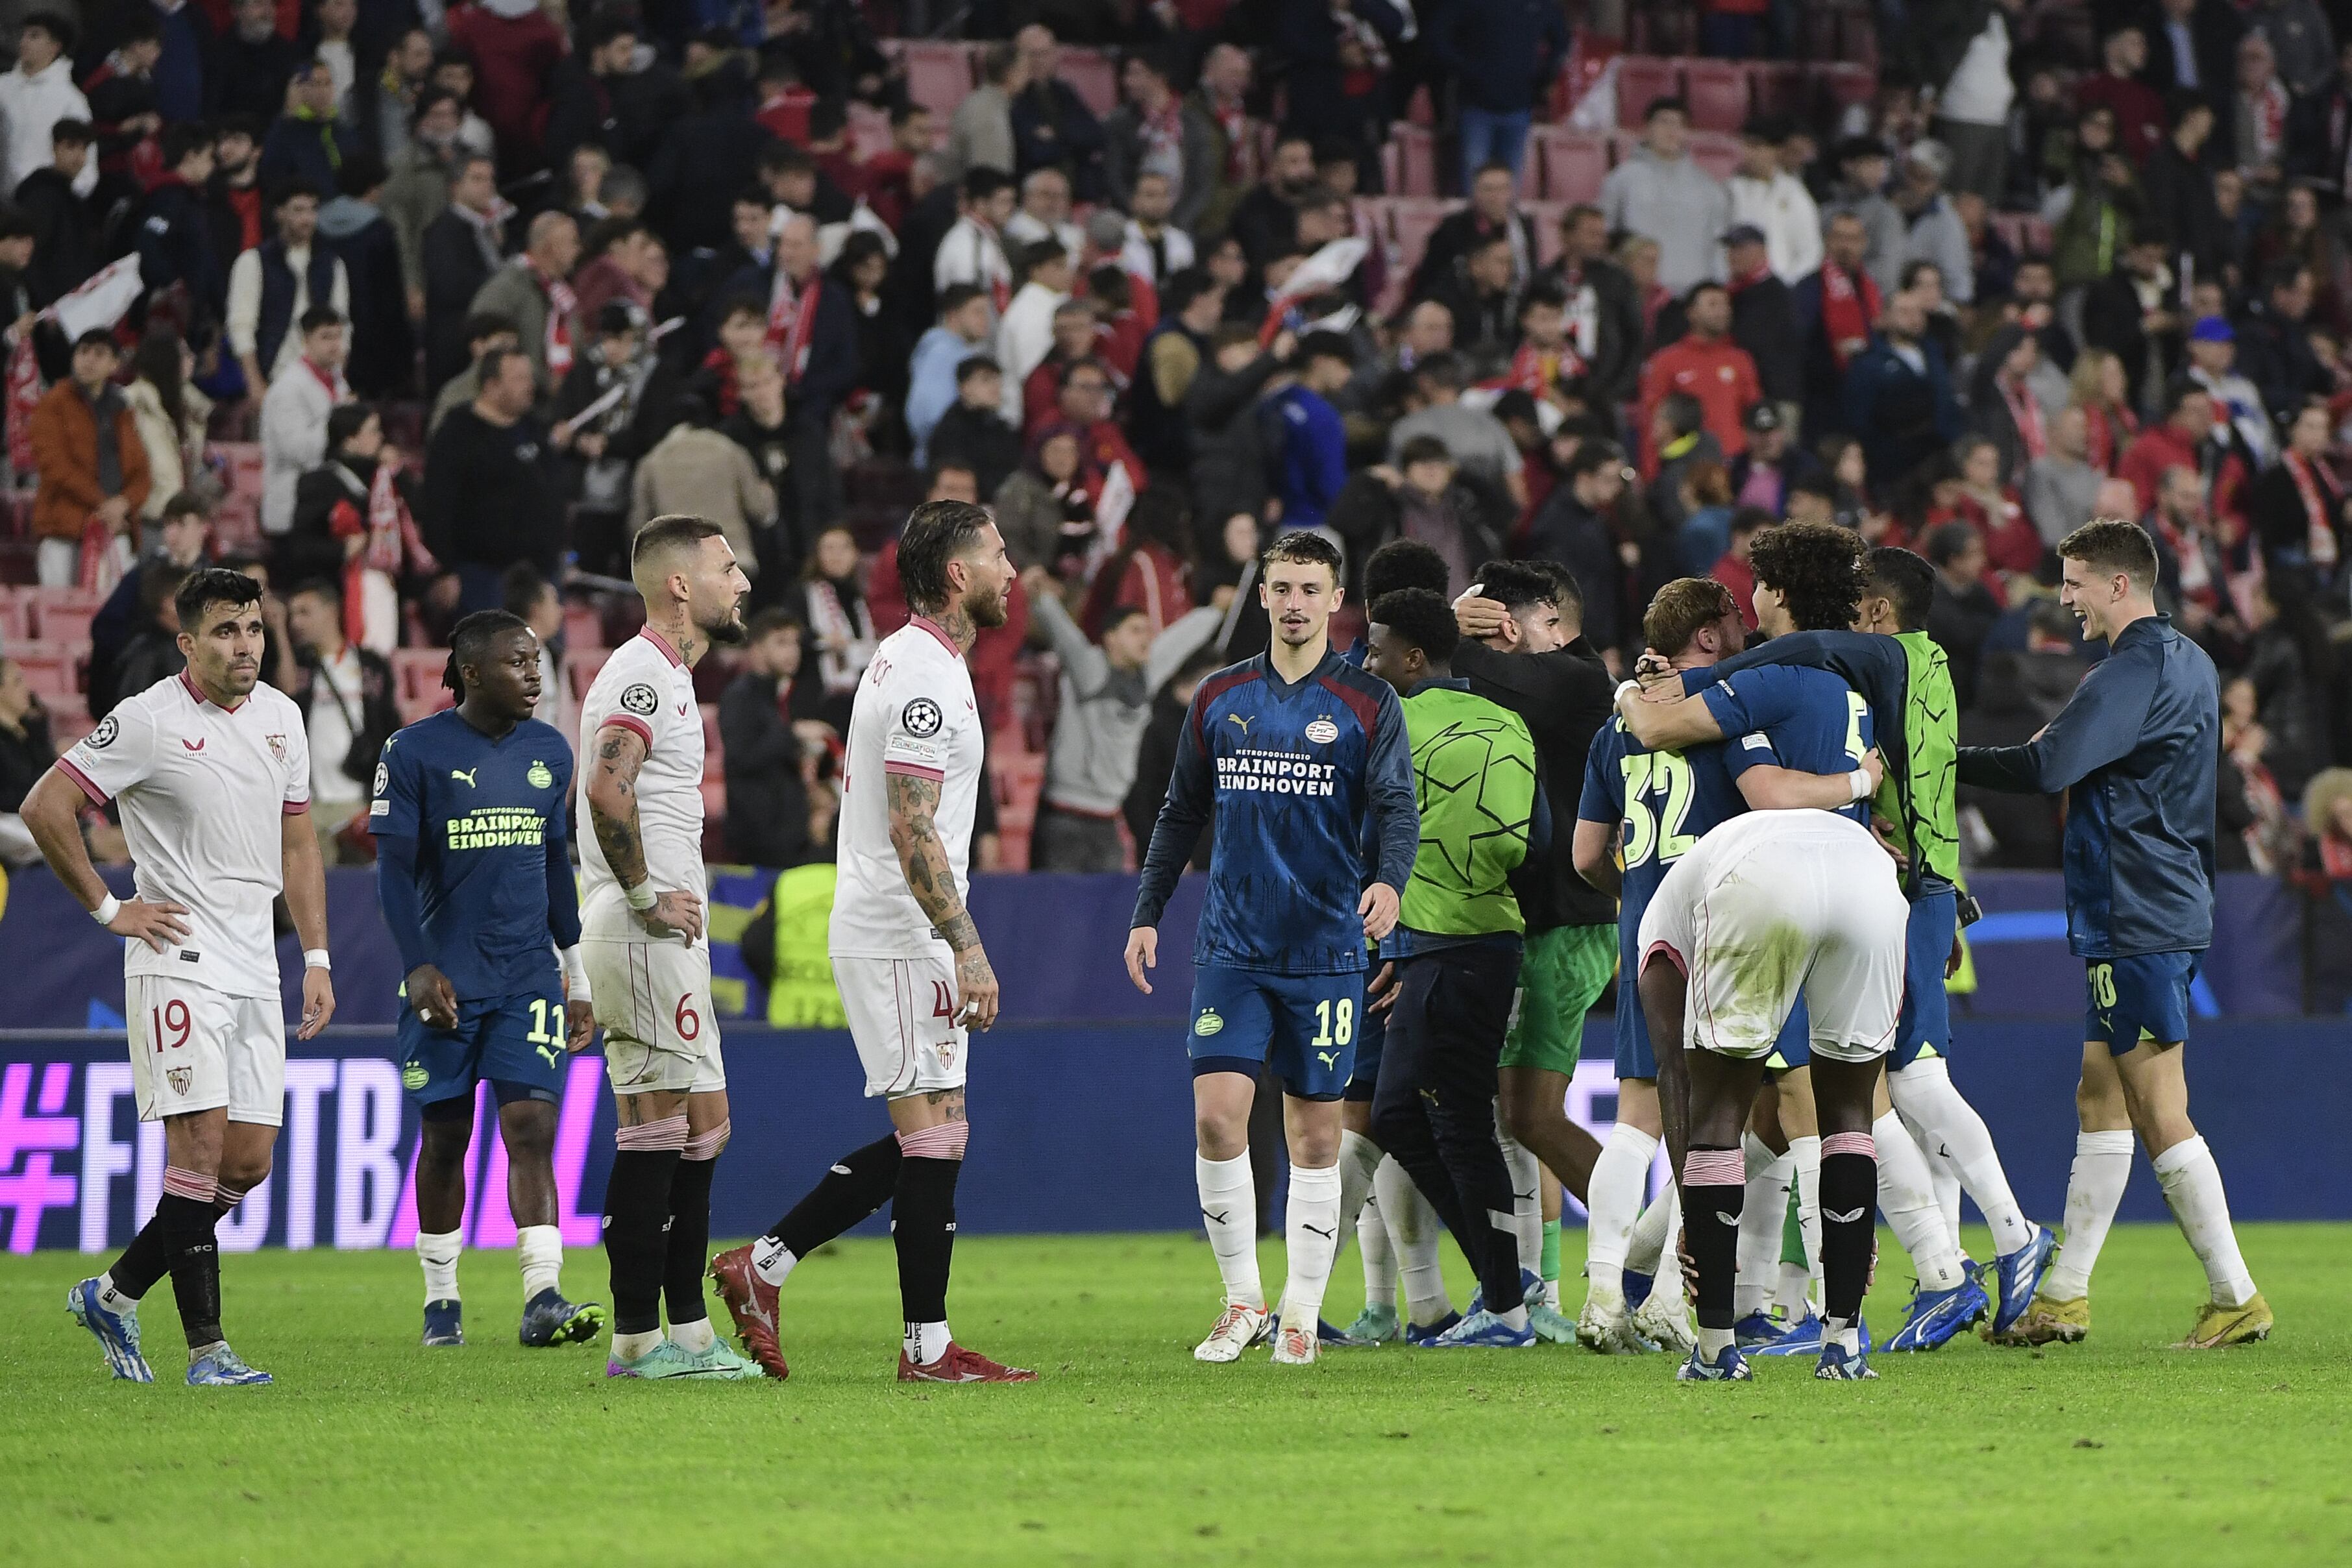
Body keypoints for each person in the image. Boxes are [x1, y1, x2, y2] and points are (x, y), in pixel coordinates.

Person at [1659, 543, 2059, 1345]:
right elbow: (1926, 773)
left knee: (1905, 1083)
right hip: (1918, 884)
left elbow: (1809, 645)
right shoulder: (1926, 668)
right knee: (1870, 1093)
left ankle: (2005, 1242)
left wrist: (1694, 679)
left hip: (1907, 892)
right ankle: (1903, 1281)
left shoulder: (1883, 656)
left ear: (1876, 613)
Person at [710, 501, 1035, 1384]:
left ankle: (767, 1266)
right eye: (999, 555)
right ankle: (922, 1347)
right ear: (959, 574)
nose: (1012, 570)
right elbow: (910, 825)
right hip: (900, 930)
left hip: (908, 928)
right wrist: (966, 944)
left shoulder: (919, 660)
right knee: (931, 1137)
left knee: (942, 1132)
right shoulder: (923, 675)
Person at [1958, 519, 2269, 1351]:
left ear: (2119, 584)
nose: (2065, 598)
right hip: (2161, 897)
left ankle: (2235, 1294)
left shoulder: (2130, 669)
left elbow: (2046, 766)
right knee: (2100, 1095)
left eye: (2075, 582)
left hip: (2136, 907)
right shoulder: (2192, 661)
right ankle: (2065, 1296)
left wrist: (1941, 758)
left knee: (2158, 1106)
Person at [33, 567, 334, 1386]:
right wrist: (110, 909)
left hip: (257, 961)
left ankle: (113, 1294)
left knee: (246, 1162)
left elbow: (299, 843)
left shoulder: (282, 717)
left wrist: (315, 957)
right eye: (227, 631)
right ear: (189, 643)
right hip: (179, 957)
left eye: (254, 629)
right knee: (197, 1149)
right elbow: (46, 806)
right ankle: (209, 1350)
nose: (246, 645)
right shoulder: (148, 720)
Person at [1125, 531, 1417, 1366]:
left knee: (1315, 1140)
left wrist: (1389, 883)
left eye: (1309, 589)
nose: (1294, 602)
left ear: (1336, 601)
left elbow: (1397, 809)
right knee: (1217, 1118)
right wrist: (1148, 911)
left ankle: (1301, 1312)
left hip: (1326, 950)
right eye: (1281, 587)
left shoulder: (1369, 702)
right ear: (1262, 596)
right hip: (1233, 947)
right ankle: (1242, 1302)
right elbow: (1180, 812)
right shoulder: (1219, 696)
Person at [371, 607, 604, 1350]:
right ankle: (442, 1299)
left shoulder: (550, 751)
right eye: (518, 662)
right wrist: (417, 966)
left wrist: (576, 974)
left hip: (527, 974)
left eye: (537, 662)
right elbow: (392, 872)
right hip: (446, 980)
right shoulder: (413, 751)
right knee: (447, 1137)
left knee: (532, 1126)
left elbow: (555, 864)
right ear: (472, 671)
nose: (535, 675)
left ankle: (543, 1295)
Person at [572, 516, 757, 1380]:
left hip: (663, 933)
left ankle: (687, 1333)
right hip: (641, 928)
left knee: (705, 1124)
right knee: (655, 1125)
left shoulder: (669, 677)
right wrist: (646, 896)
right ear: (681, 584)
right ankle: (638, 1339)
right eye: (728, 567)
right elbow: (607, 790)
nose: (742, 582)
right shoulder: (642, 674)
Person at [1636, 805, 1910, 1382]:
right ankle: (1844, 1348)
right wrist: (1854, 1227)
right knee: (1851, 1115)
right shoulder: (1712, 861)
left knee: (1717, 1113)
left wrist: (1693, 1217)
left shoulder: (1658, 924)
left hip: (1757, 879)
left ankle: (1715, 1352)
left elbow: (1675, 1075)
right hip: (1869, 876)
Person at [1350, 586, 1540, 1347]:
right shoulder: (1507, 721)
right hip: (1486, 942)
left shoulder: (1390, 723)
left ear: (1413, 657)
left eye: (1375, 652)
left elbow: (1373, 836)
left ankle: (1508, 1302)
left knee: (1457, 1123)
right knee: (1401, 1113)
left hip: (1444, 943)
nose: (1367, 665)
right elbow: (1535, 837)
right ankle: (1502, 1282)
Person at [1442, 561, 1619, 1338]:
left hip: (1569, 925)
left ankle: (1655, 1254)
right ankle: (1531, 1293)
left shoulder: (1580, 679)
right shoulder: (1538, 684)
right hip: (1536, 924)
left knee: (1533, 1115)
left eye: (1497, 633)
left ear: (1521, 624)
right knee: (1517, 1115)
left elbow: (1451, 667)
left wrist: (1447, 631)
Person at [419, 345, 566, 613]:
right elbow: (437, 505)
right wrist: (445, 569)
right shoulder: (458, 433)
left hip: (540, 574)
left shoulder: (535, 430)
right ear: (491, 386)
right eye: (519, 379)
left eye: (529, 378)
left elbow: (554, 495)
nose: (530, 386)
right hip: (481, 575)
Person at [282, 577, 397, 864]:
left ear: (331, 611)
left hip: (357, 802)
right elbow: (285, 695)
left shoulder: (371, 665)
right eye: (292, 615)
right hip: (307, 804)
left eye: (305, 612)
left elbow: (389, 725)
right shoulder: (298, 667)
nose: (296, 623)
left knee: (359, 889)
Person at [29, 329, 151, 588]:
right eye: (83, 352)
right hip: (64, 530)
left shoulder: (122, 409)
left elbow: (142, 472)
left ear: (114, 364)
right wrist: (104, 504)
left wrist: (124, 503)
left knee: (115, 609)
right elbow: (55, 467)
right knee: (61, 608)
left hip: (115, 530)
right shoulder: (52, 404)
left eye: (99, 354)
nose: (89, 360)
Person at [718, 609, 827, 870]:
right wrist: (794, 734)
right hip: (760, 838)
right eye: (781, 643)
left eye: (795, 643)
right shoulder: (740, 696)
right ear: (756, 650)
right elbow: (740, 759)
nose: (793, 652)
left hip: (791, 832)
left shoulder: (784, 696)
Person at [226, 180, 350, 396]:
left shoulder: (331, 264)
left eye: (312, 210)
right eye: (298, 210)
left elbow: (341, 325)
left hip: (321, 377)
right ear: (280, 214)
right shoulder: (254, 262)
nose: (307, 219)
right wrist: (255, 383)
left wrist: (337, 377)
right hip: (274, 373)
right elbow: (241, 327)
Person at [1599, 99, 1728, 297]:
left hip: (1692, 294)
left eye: (1679, 124)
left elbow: (1718, 243)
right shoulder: (1622, 179)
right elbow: (1605, 235)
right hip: (1639, 293)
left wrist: (1718, 286)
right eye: (1664, 122)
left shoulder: (1707, 187)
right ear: (1647, 128)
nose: (1671, 130)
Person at [1639, 282, 1763, 474]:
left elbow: (1754, 414)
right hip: (1686, 467)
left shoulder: (1741, 360)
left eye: (1725, 304)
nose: (1722, 311)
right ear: (1692, 313)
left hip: (1734, 467)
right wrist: (1651, 472)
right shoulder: (1666, 361)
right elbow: (1653, 419)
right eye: (1713, 304)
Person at [421, 152, 510, 394]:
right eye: (477, 179)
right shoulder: (443, 232)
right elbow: (450, 286)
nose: (487, 186)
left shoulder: (491, 228)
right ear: (455, 186)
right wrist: (499, 284)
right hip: (455, 346)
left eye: (490, 179)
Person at [259, 307, 350, 545]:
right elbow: (296, 450)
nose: (335, 345)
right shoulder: (287, 388)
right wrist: (340, 423)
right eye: (326, 337)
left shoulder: (338, 382)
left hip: (324, 509)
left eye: (338, 336)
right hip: (292, 511)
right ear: (306, 340)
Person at [467, 210, 580, 401]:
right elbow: (481, 332)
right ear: (550, 248)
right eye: (572, 242)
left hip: (556, 401)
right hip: (517, 400)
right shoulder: (509, 286)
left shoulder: (562, 294)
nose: (578, 250)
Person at [1268, 331, 1353, 536]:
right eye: (1343, 364)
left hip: (1270, 523)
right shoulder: (1322, 415)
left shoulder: (1273, 403)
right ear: (1320, 361)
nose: (1348, 374)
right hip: (1314, 526)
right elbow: (1331, 485)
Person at [0, 13, 92, 199]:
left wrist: (57, 202)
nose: (24, 42)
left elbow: (85, 169)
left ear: (55, 46)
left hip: (42, 202)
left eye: (34, 36)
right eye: (24, 35)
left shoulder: (71, 101)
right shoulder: (3, 86)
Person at [0, 655, 54, 867]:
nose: (27, 689)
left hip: (49, 819)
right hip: (19, 826)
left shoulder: (31, 734)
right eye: (18, 681)